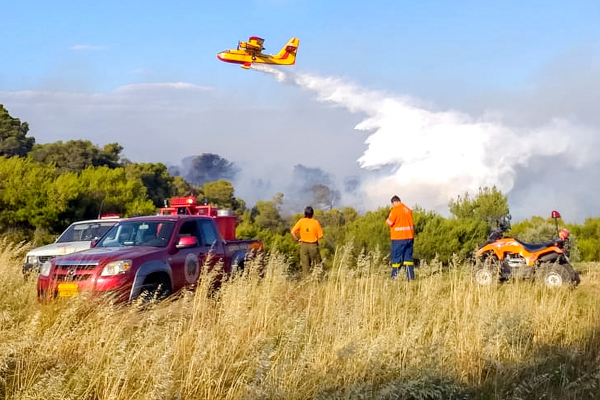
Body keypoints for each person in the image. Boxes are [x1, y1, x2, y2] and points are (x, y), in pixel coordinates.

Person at [386, 195, 415, 280]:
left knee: (396, 258)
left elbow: (389, 222)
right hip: (409, 237)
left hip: (399, 238)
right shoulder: (408, 210)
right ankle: (410, 277)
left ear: (394, 202)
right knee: (408, 259)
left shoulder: (395, 210)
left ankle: (394, 277)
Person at [291, 206, 324, 277]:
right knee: (317, 264)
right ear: (312, 213)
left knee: (305, 265)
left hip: (304, 246)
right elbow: (320, 236)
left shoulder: (301, 221)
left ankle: (306, 280)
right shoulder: (315, 222)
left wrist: (297, 239)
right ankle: (318, 280)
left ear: (305, 213)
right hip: (313, 245)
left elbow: (293, 232)